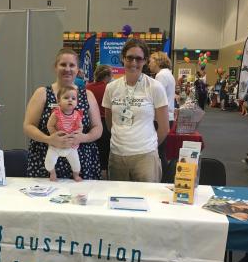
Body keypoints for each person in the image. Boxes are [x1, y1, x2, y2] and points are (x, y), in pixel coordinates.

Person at [23, 48, 102, 180]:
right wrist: (48, 139)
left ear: (78, 69)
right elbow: (28, 126)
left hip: (82, 163)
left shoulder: (87, 95)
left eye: (72, 65)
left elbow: (98, 128)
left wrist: (84, 137)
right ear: (55, 67)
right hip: (45, 163)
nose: (67, 69)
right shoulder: (42, 93)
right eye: (63, 64)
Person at [102, 38, 169, 182]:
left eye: (138, 59)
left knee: (147, 200)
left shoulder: (155, 87)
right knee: (117, 200)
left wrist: (148, 147)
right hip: (117, 156)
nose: (133, 63)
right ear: (123, 58)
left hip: (145, 156)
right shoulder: (111, 88)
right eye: (130, 58)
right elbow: (109, 122)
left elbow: (164, 128)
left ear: (145, 61)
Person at [45, 85, 84, 182]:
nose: (70, 100)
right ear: (59, 102)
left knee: (76, 164)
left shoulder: (77, 115)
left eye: (73, 98)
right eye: (66, 98)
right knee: (49, 162)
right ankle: (52, 173)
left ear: (77, 102)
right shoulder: (56, 114)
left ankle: (76, 175)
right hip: (56, 144)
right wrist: (55, 135)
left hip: (71, 145)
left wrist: (77, 133)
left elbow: (80, 127)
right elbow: (50, 125)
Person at [86, 65, 112, 177]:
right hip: (105, 124)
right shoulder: (109, 89)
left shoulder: (87, 88)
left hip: (90, 125)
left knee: (92, 154)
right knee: (104, 157)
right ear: (107, 76)